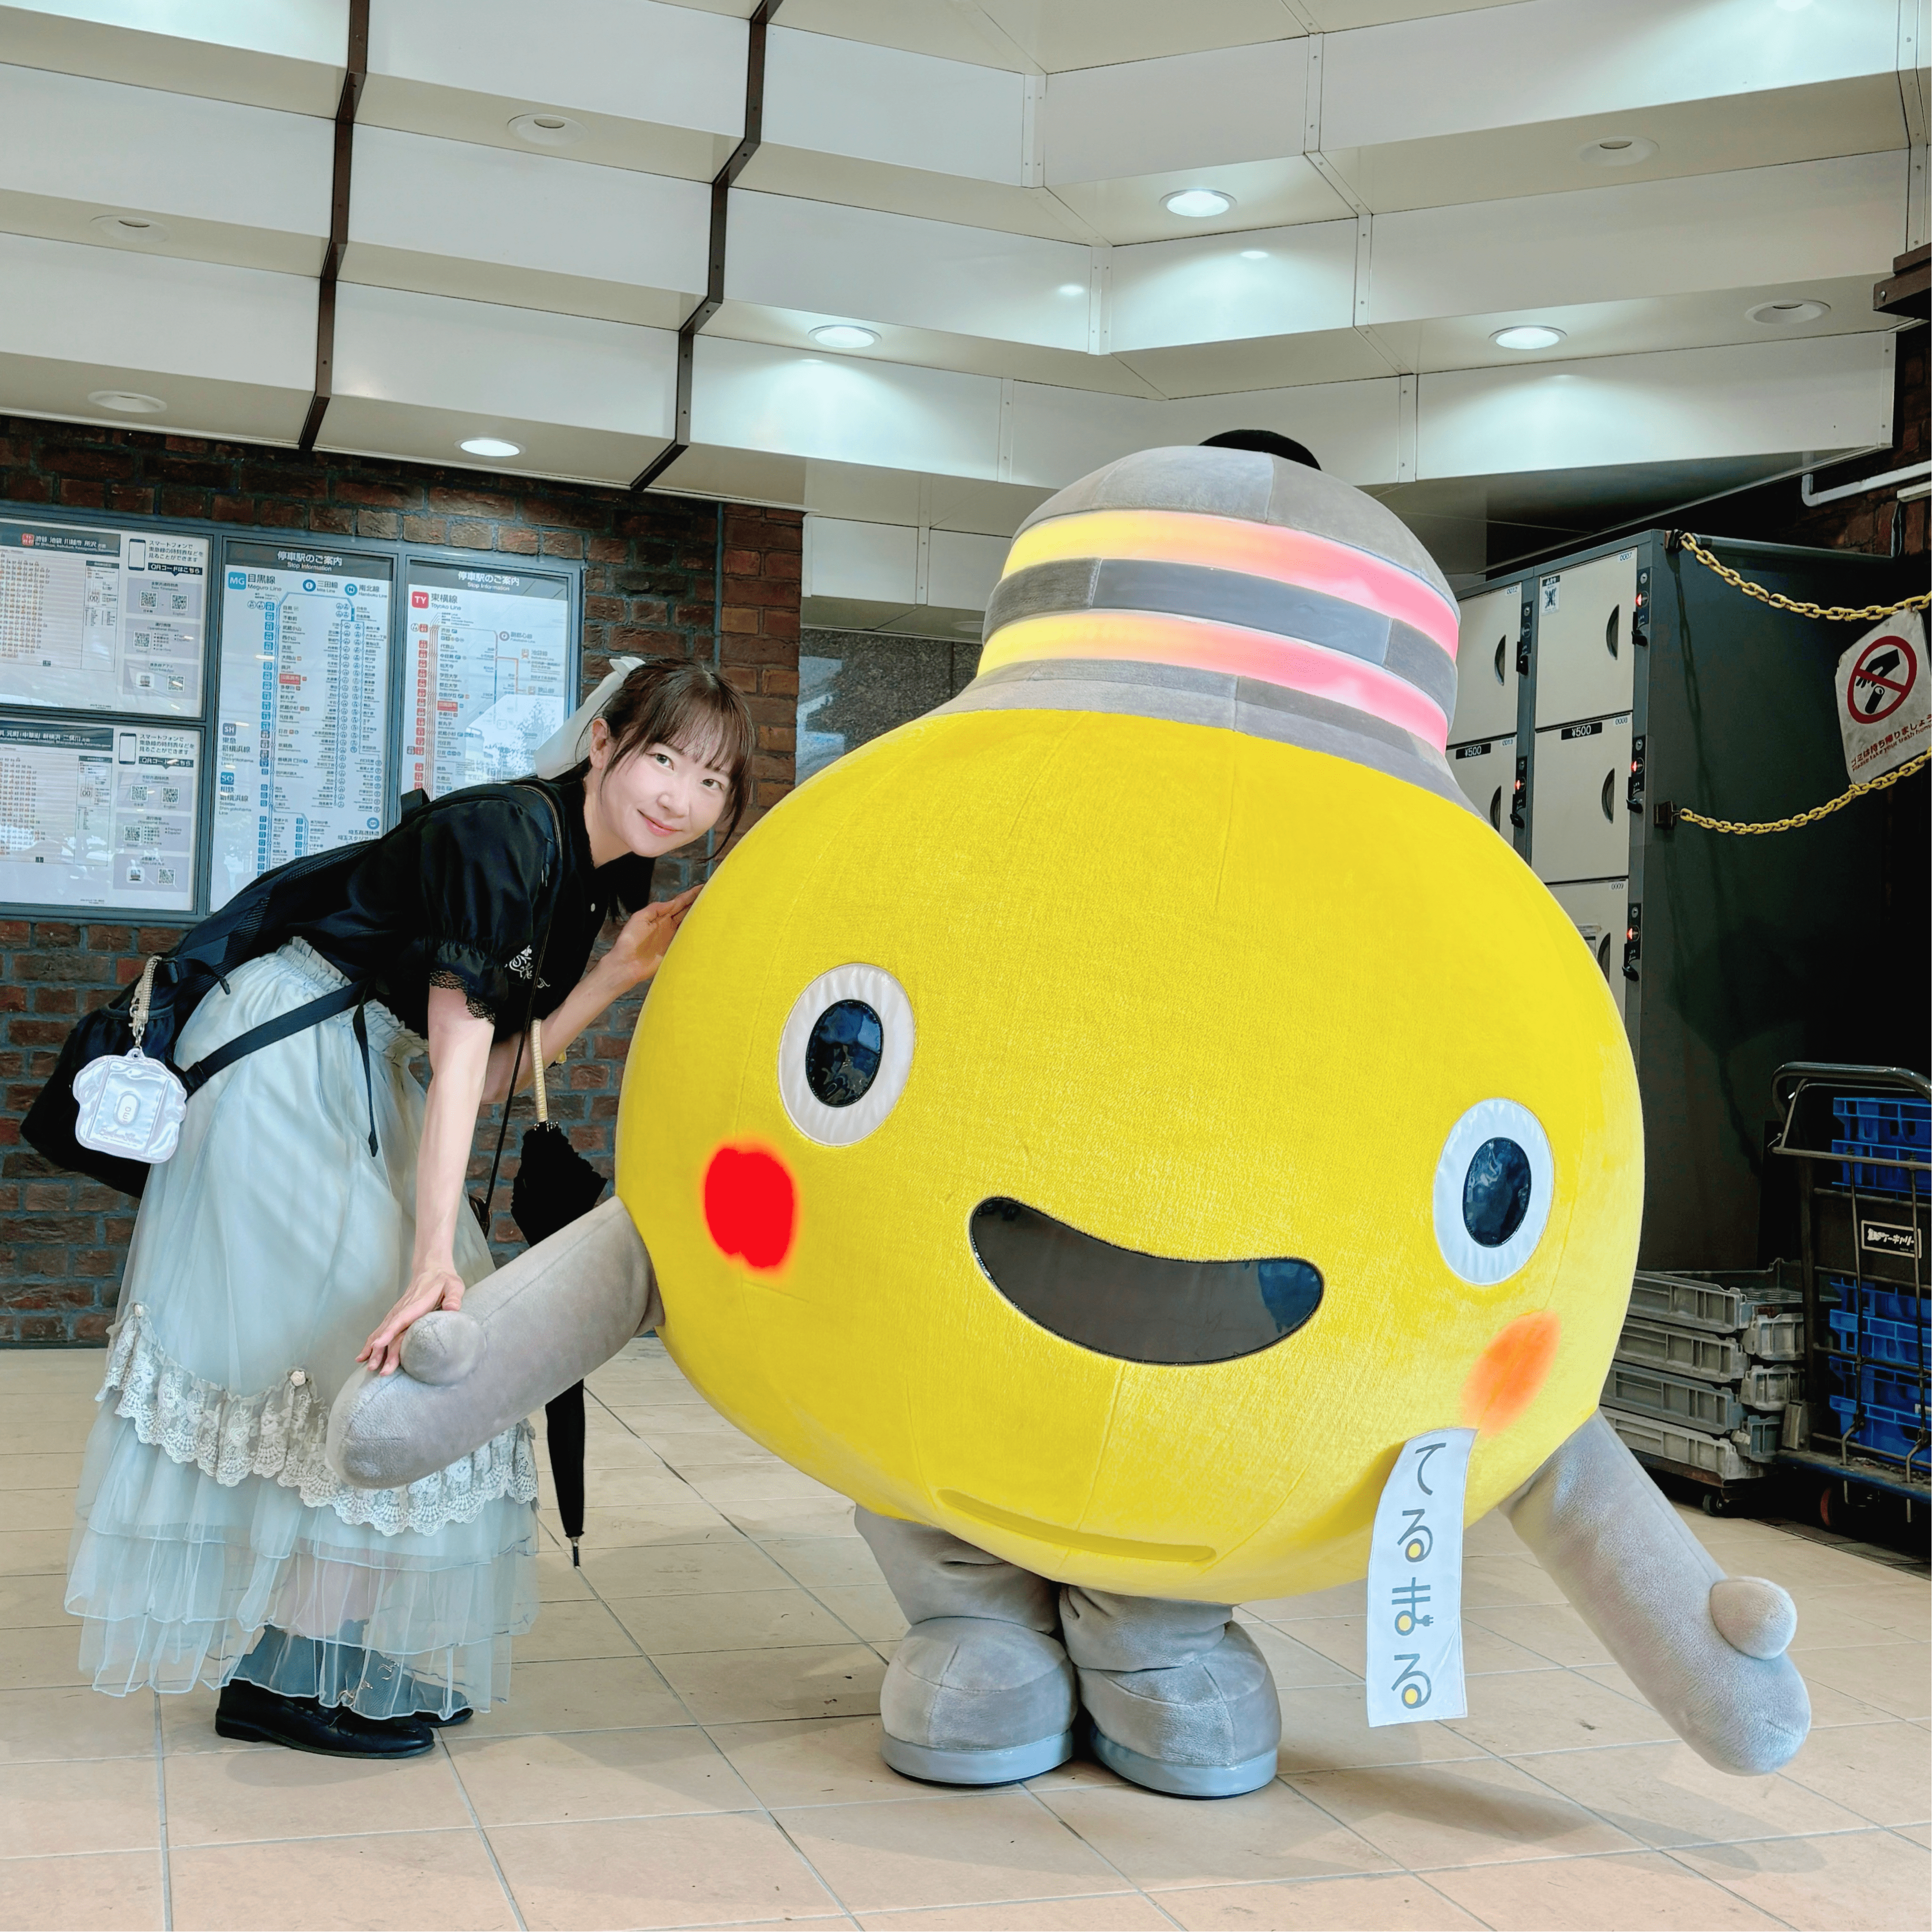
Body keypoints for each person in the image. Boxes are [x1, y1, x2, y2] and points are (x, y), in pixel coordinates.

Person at [64, 657, 753, 1759]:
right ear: (605, 743)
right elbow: (462, 1047)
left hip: (365, 1076)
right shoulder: (513, 836)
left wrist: (620, 971)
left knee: (432, 1352)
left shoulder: (587, 880)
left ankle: (315, 1646)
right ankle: (289, 1675)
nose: (680, 794)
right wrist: (431, 1253)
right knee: (404, 1343)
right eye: (664, 756)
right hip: (287, 1063)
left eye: (713, 781)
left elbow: (477, 1082)